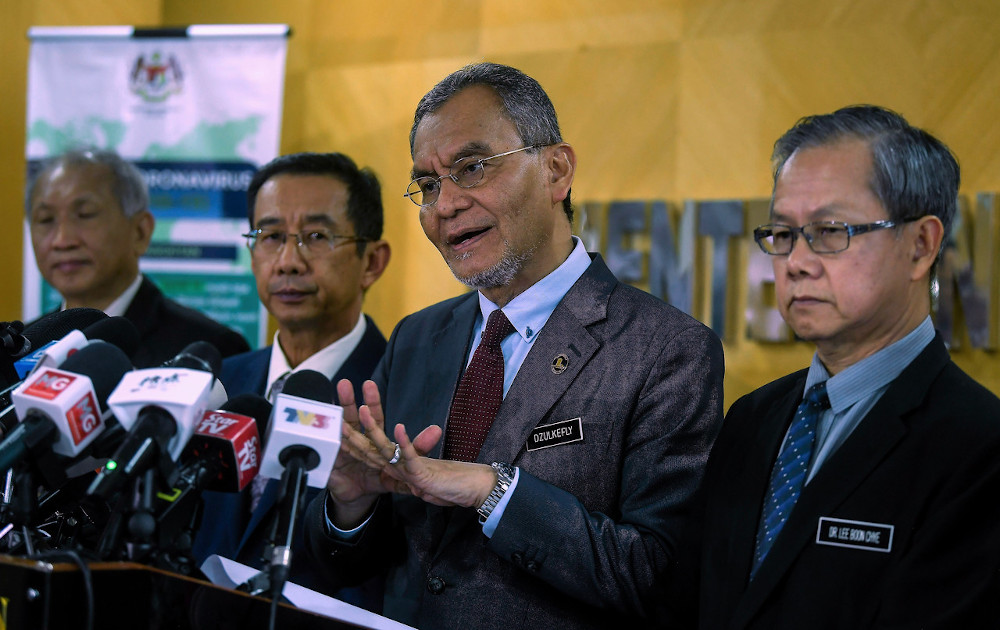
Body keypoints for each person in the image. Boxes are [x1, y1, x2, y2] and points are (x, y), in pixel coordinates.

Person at [303, 62, 724, 630]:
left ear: (556, 170)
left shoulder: (666, 349)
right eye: (427, 186)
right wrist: (352, 505)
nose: (445, 205)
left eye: (472, 168)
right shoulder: (416, 338)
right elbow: (358, 566)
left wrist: (491, 489)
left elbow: (659, 578)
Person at [670, 105, 1000, 629]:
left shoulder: (979, 448)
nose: (797, 261)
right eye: (782, 233)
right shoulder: (752, 418)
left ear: (921, 246)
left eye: (830, 230)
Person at [192, 152, 390, 606]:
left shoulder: (399, 389)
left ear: (372, 262)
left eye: (316, 236)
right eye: (270, 236)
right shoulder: (224, 380)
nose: (287, 262)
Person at [26, 148, 250, 367]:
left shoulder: (211, 348)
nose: (63, 240)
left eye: (85, 215)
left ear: (140, 231)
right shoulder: (22, 346)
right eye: (45, 219)